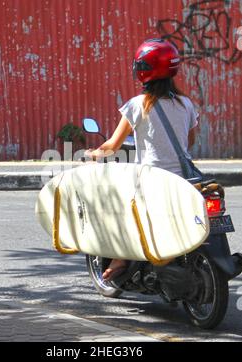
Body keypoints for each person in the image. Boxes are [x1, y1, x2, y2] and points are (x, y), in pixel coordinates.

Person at [85, 38, 199, 282]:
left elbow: (112, 146)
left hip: (153, 180)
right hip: (186, 180)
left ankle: (119, 260)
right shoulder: (186, 104)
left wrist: (92, 154)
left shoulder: (138, 105)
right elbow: (188, 142)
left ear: (142, 70)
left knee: (117, 207)